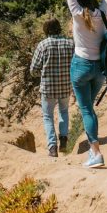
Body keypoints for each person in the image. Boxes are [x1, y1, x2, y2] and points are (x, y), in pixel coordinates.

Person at [65, 0, 107, 168]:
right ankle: (91, 152)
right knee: (89, 109)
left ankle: (96, 153)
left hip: (81, 66)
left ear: (79, 0)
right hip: (100, 70)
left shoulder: (76, 13)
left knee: (86, 110)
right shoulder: (103, 10)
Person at [29, 18, 74, 158]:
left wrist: (42, 73)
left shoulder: (43, 45)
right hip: (66, 86)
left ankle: (52, 148)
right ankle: (64, 139)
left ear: (46, 29)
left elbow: (33, 70)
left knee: (48, 117)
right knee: (64, 111)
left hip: (48, 88)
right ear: (59, 27)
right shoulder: (70, 43)